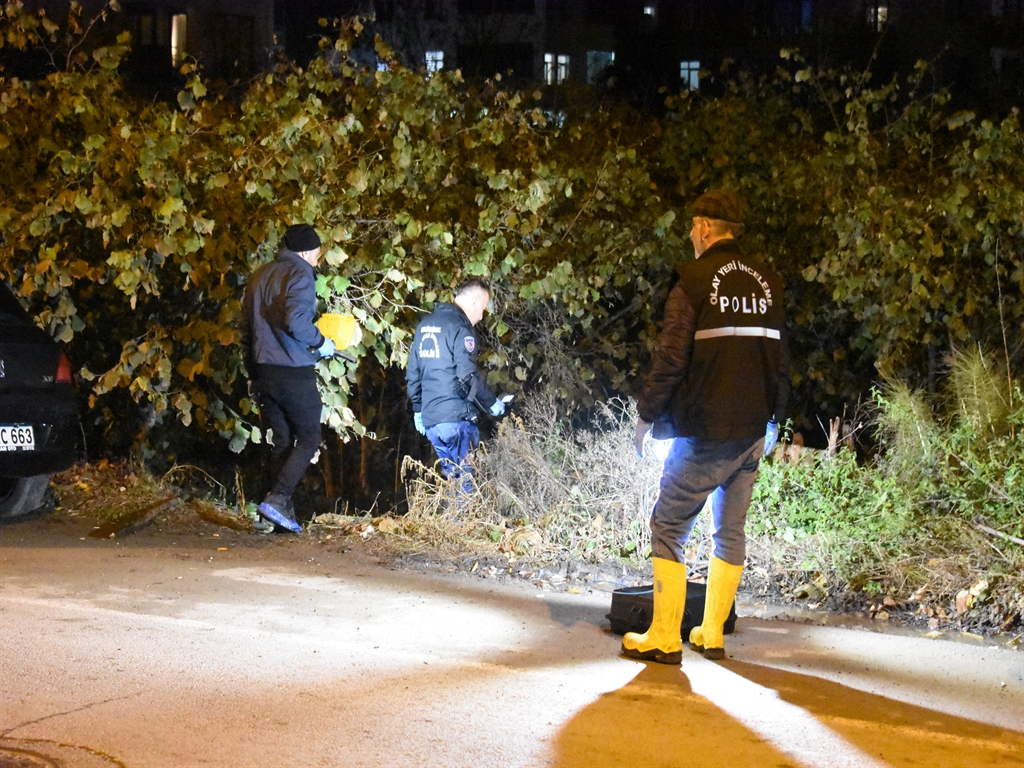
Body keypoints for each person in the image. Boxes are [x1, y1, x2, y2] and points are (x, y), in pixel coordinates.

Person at [622, 189, 790, 664]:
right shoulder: (769, 284)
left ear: (704, 229)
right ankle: (711, 632)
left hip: (704, 431)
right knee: (729, 530)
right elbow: (781, 360)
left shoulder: (694, 281)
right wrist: (775, 419)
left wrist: (647, 415)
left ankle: (663, 636)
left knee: (669, 524)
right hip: (753, 430)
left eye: (692, 228)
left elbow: (672, 358)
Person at [239, 224, 336, 533]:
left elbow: (246, 332)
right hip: (293, 369)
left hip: (263, 370)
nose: (316, 262)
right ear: (307, 252)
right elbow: (296, 320)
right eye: (317, 256)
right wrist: (321, 342)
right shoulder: (300, 274)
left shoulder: (260, 275)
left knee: (281, 442)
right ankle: (278, 498)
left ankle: (274, 518)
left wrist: (252, 375)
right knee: (308, 438)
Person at [406, 277, 505, 490]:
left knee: (456, 480)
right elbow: (467, 375)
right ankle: (467, 522)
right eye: (483, 308)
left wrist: (418, 409)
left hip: (432, 422)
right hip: (457, 420)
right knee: (468, 483)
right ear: (475, 302)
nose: (481, 316)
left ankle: (456, 521)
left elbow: (413, 373)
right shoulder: (461, 328)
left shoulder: (424, 325)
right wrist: (492, 402)